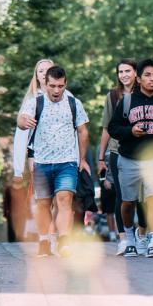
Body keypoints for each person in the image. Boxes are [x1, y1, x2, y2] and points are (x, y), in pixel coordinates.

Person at [107, 59, 153, 258]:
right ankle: (129, 238)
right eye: (147, 75)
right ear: (138, 79)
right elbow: (113, 128)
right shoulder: (128, 101)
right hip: (129, 158)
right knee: (128, 202)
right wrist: (131, 130)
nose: (152, 79)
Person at [17, 65, 91, 258]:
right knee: (43, 204)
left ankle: (64, 241)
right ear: (45, 84)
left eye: (60, 86)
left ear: (65, 84)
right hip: (42, 162)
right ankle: (43, 240)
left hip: (67, 162)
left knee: (65, 200)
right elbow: (21, 120)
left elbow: (83, 131)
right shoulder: (35, 102)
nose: (56, 91)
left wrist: (82, 159)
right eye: (52, 86)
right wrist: (23, 122)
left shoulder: (74, 103)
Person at [98, 59, 142, 249]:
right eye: (120, 71)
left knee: (142, 196)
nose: (124, 75)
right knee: (121, 195)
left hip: (142, 152)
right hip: (117, 151)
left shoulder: (145, 94)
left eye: (128, 71)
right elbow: (106, 128)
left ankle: (141, 235)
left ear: (135, 73)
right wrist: (101, 158)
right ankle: (124, 238)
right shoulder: (113, 96)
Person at [10, 58, 53, 242]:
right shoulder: (31, 101)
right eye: (40, 71)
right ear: (36, 76)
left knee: (61, 197)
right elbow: (21, 136)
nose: (44, 74)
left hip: (63, 155)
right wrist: (18, 169)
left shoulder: (67, 97)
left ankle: (55, 234)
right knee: (42, 197)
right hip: (37, 155)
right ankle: (44, 235)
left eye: (47, 70)